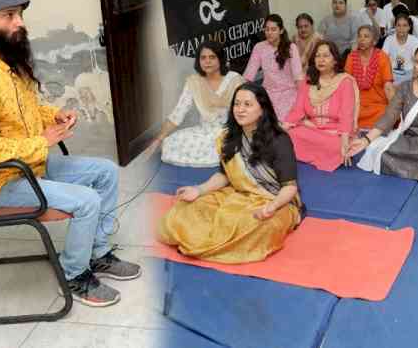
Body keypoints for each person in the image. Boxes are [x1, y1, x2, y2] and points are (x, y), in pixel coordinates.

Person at [0, 0, 140, 307]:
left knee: (106, 171)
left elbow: (27, 109)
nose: (19, 22)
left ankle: (97, 254)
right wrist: (41, 140)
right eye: (9, 15)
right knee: (86, 201)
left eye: (19, 13)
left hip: (28, 165)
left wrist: (53, 115)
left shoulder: (8, 61)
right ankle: (73, 277)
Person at [158, 82, 304, 264]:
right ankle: (200, 241)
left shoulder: (279, 140)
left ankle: (203, 244)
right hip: (238, 194)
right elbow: (225, 175)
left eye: (247, 105)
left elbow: (289, 188)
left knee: (250, 225)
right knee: (187, 209)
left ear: (263, 109)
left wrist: (271, 208)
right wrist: (199, 190)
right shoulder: (229, 137)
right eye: (237, 104)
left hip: (275, 201)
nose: (240, 110)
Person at [347, 44, 418, 184]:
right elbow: (389, 116)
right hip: (408, 139)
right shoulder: (404, 87)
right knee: (379, 152)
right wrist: (366, 140)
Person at [145, 41, 244, 167]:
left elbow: (248, 108)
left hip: (230, 131)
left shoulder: (234, 79)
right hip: (204, 131)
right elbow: (178, 113)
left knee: (221, 145)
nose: (207, 61)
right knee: (171, 141)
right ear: (198, 61)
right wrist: (158, 139)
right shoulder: (194, 82)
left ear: (220, 59)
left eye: (212, 57)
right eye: (203, 58)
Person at [284, 40, 360, 172]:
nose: (321, 60)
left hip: (335, 133)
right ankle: (320, 154)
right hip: (313, 129)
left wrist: (344, 142)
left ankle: (327, 152)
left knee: (337, 146)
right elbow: (297, 110)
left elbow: (346, 115)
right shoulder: (308, 82)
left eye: (326, 56)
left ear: (335, 60)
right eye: (318, 56)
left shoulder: (344, 82)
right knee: (289, 134)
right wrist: (282, 127)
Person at [244, 14, 304, 120]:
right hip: (268, 95)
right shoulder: (259, 47)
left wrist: (302, 102)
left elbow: (298, 77)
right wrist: (242, 93)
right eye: (267, 29)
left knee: (285, 125)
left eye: (273, 29)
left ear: (281, 30)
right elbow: (249, 74)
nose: (269, 33)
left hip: (289, 94)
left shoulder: (291, 48)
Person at [346, 26, 394, 128]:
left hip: (378, 106)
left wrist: (395, 109)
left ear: (374, 41)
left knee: (386, 113)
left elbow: (388, 87)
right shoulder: (351, 57)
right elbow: (346, 85)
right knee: (347, 113)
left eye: (366, 36)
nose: (362, 40)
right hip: (357, 105)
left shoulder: (382, 57)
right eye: (359, 36)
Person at [382, 14, 418, 84]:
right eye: (398, 25)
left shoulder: (414, 40)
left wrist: (414, 78)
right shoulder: (389, 39)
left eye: (405, 25)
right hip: (391, 73)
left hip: (409, 73)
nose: (401, 28)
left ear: (409, 27)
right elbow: (383, 59)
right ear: (395, 27)